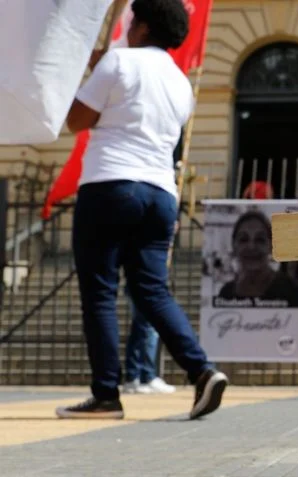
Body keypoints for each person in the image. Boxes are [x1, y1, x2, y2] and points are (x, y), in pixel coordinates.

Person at [56, 0, 227, 420]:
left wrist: (89, 71)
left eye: (133, 21)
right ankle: (201, 370)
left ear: (144, 27)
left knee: (99, 293)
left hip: (111, 184)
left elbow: (75, 121)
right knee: (151, 290)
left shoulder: (117, 65)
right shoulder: (181, 83)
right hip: (160, 194)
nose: (128, 26)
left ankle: (106, 394)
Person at [216, 210, 298, 306]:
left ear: (271, 245)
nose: (251, 247)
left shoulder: (291, 290)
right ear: (234, 246)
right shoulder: (226, 293)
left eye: (260, 239)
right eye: (243, 239)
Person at [122, 286, 177, 394]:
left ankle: (133, 377)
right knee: (148, 329)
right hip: (145, 285)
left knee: (139, 329)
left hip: (137, 284)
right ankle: (147, 376)